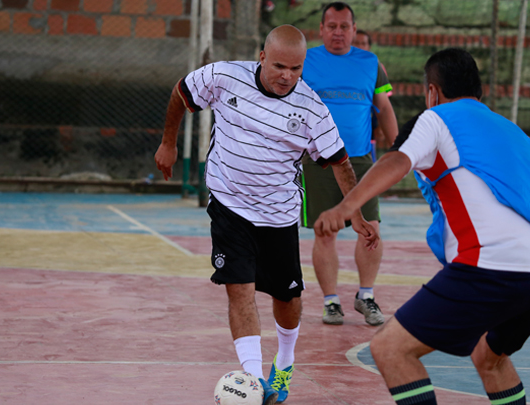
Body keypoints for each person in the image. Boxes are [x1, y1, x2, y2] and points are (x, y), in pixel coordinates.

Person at [314, 48, 530, 405]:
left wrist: (347, 205)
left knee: (391, 349)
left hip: (492, 265)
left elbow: (397, 160)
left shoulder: (436, 119)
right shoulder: (514, 132)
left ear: (432, 92)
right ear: (478, 91)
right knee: (490, 358)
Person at [154, 25, 378, 405]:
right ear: (261, 57)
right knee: (238, 287)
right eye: (279, 66)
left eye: (296, 68)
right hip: (229, 204)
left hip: (279, 215)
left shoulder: (311, 108)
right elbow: (182, 93)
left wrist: (353, 212)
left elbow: (339, 160)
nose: (287, 76)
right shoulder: (224, 77)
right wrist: (168, 142)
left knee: (286, 299)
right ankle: (254, 381)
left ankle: (285, 362)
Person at [301, 2, 398, 326]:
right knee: (325, 232)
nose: (338, 32)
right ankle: (331, 302)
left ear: (354, 30)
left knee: (371, 229)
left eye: (344, 26)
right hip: (318, 160)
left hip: (360, 160)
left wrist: (401, 150)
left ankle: (365, 295)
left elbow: (383, 108)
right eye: (332, 26)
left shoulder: (371, 63)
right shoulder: (305, 61)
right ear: (322, 30)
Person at [352, 29, 393, 154]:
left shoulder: (376, 67)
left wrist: (380, 125)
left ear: (369, 47)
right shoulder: (337, 66)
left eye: (363, 43)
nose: (360, 46)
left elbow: (383, 102)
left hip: (367, 127)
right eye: (356, 43)